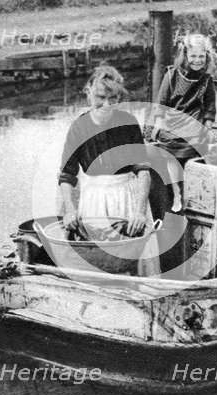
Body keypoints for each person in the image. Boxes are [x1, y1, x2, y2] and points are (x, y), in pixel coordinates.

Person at [58, 65, 159, 275]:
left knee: (135, 261)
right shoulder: (79, 127)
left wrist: (139, 212)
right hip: (95, 199)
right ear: (89, 93)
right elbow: (67, 175)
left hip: (127, 198)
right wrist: (69, 209)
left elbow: (142, 170)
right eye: (100, 97)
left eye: (113, 98)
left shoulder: (128, 123)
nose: (106, 104)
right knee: (99, 262)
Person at [149, 33, 217, 212]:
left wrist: (208, 126)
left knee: (195, 147)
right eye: (193, 56)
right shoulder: (172, 76)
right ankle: (176, 191)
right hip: (172, 123)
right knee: (168, 150)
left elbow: (210, 106)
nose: (197, 60)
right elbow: (161, 104)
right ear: (185, 56)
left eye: (201, 56)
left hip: (193, 123)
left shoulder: (206, 80)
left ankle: (193, 192)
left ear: (207, 56)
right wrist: (157, 128)